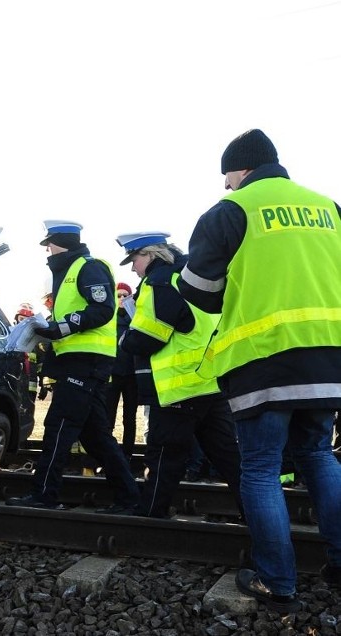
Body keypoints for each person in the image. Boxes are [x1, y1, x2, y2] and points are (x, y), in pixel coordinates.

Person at [178, 129, 341, 613]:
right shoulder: (328, 208)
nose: (227, 185)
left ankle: (278, 582)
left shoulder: (232, 210)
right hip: (329, 359)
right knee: (319, 456)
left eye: (228, 176)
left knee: (261, 469)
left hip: (263, 360)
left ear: (241, 169)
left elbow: (199, 291)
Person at [6, 220, 139, 513]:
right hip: (78, 361)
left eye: (49, 245)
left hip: (86, 360)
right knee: (94, 435)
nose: (48, 251)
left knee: (59, 425)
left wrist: (60, 328)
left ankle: (44, 494)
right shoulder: (69, 273)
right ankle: (130, 497)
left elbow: (102, 310)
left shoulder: (88, 268)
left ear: (62, 242)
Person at [116, 232, 243, 521]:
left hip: (178, 385)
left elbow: (150, 337)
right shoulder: (192, 276)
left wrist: (125, 339)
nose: (133, 268)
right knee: (229, 458)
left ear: (150, 254)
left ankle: (151, 515)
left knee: (164, 456)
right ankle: (258, 517)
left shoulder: (159, 282)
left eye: (134, 259)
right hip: (210, 381)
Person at [105, 281, 139, 462]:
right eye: (118, 295)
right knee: (108, 416)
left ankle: (128, 454)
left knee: (130, 418)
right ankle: (109, 455)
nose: (121, 298)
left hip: (132, 375)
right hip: (113, 374)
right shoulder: (109, 319)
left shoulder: (137, 318)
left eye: (125, 295)